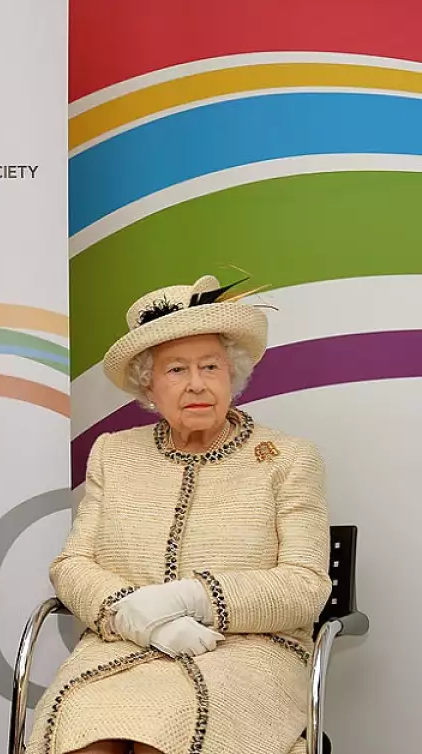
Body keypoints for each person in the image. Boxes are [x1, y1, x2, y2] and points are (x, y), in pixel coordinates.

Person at [29, 275, 332, 754]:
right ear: (148, 384)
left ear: (231, 374)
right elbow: (72, 565)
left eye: (210, 366)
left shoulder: (288, 458)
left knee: (166, 732)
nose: (197, 384)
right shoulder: (113, 453)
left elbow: (305, 586)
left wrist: (191, 597)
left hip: (248, 653)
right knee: (83, 730)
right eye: (176, 370)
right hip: (124, 646)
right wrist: (136, 615)